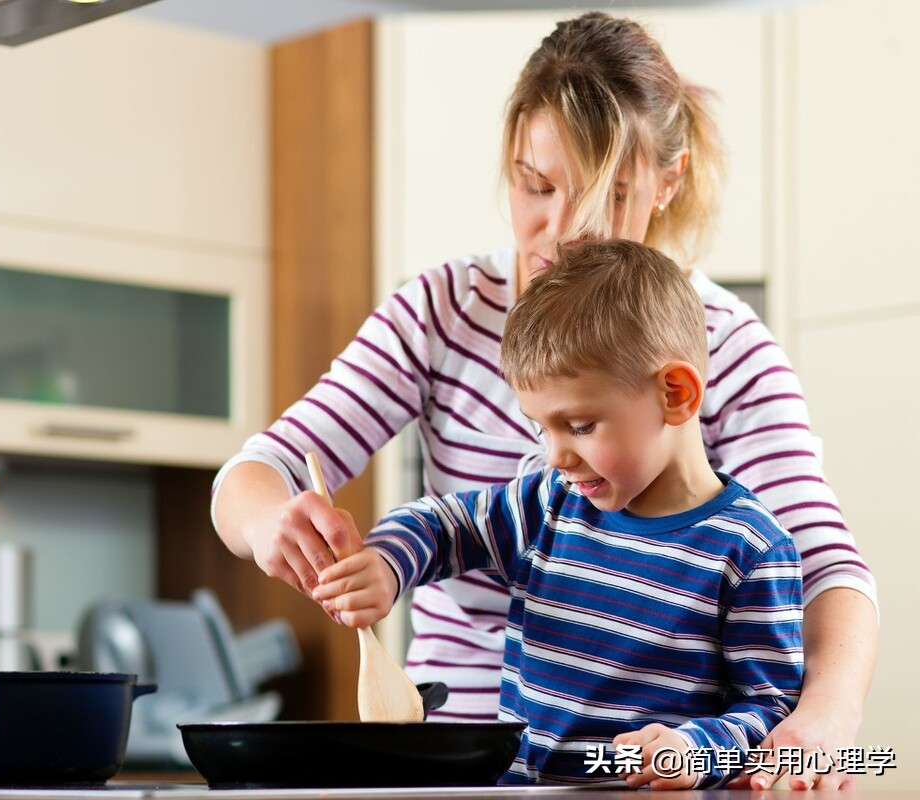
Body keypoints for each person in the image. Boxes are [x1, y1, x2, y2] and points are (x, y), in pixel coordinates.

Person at [211, 11, 876, 791]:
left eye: (605, 196)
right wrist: (276, 526)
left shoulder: (729, 350)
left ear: (668, 181)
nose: (560, 232)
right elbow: (267, 474)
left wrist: (823, 718)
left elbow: (821, 563)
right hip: (465, 758)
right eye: (536, 186)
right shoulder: (444, 312)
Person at [312, 238, 804, 788]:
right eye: (541, 428)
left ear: (676, 394)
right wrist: (386, 563)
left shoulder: (752, 551)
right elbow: (443, 524)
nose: (556, 456)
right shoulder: (548, 503)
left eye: (580, 426)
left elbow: (770, 712)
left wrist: (694, 750)